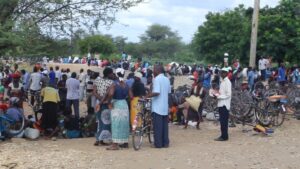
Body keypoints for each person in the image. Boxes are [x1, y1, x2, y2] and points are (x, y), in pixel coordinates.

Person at [147, 64, 171, 148]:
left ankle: (158, 144)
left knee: (157, 126)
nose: (153, 71)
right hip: (164, 106)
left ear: (157, 70)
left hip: (157, 107)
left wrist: (147, 96)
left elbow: (157, 92)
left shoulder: (156, 79)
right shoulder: (167, 79)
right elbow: (169, 93)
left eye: (154, 69)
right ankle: (165, 143)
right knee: (164, 126)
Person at [107, 68, 130, 150]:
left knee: (116, 124)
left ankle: (115, 144)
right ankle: (125, 143)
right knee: (124, 124)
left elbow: (111, 93)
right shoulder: (126, 84)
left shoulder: (114, 84)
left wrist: (109, 102)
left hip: (116, 104)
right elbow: (131, 96)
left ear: (116, 74)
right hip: (124, 104)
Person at [93, 67, 114, 146]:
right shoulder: (111, 82)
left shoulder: (97, 80)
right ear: (109, 74)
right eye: (112, 73)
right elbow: (110, 94)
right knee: (106, 121)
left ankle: (98, 139)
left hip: (98, 103)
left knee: (99, 121)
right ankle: (103, 139)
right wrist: (104, 100)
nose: (112, 75)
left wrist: (100, 99)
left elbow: (94, 92)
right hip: (106, 103)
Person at [213, 68, 232, 141]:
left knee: (224, 121)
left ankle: (224, 136)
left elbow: (228, 94)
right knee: (222, 121)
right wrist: (216, 95)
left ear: (226, 73)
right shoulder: (223, 81)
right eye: (221, 73)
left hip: (225, 104)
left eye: (223, 73)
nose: (221, 74)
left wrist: (219, 96)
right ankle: (223, 135)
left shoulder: (227, 82)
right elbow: (222, 93)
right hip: (221, 103)